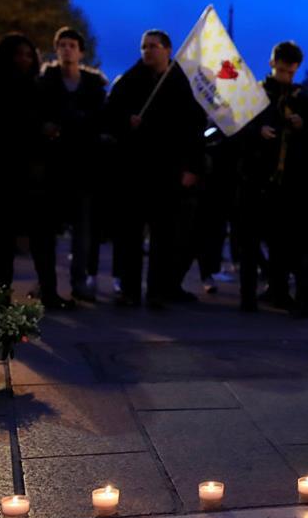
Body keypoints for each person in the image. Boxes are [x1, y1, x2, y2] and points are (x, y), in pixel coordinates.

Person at [104, 29, 207, 309]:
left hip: (168, 170)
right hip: (134, 170)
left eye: (153, 46)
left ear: (167, 50)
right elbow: (109, 117)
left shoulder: (182, 84)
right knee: (130, 234)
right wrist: (126, 122)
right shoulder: (128, 82)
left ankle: (158, 290)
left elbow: (194, 129)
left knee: (164, 235)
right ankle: (129, 290)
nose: (147, 51)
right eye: (144, 46)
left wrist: (192, 167)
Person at [0, 33, 74, 309]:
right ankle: (1, 295)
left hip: (37, 174)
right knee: (3, 239)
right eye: (18, 54)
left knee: (42, 238)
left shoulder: (39, 87)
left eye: (29, 55)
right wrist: (35, 128)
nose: (24, 60)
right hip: (4, 171)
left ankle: (49, 291)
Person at [234, 41, 308, 313]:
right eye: (282, 70)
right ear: (272, 64)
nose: (286, 76)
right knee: (250, 240)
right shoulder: (255, 93)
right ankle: (247, 296)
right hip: (255, 176)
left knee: (282, 241)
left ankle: (278, 292)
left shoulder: (301, 98)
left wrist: (302, 125)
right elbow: (235, 129)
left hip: (287, 180)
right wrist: (257, 132)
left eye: (291, 72)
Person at [38, 27, 108, 303]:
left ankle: (80, 282)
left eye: (71, 45)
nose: (66, 49)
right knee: (47, 230)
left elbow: (100, 121)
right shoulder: (45, 82)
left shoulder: (93, 86)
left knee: (82, 230)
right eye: (62, 45)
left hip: (83, 166)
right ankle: (47, 283)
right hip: (53, 165)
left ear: (80, 52)